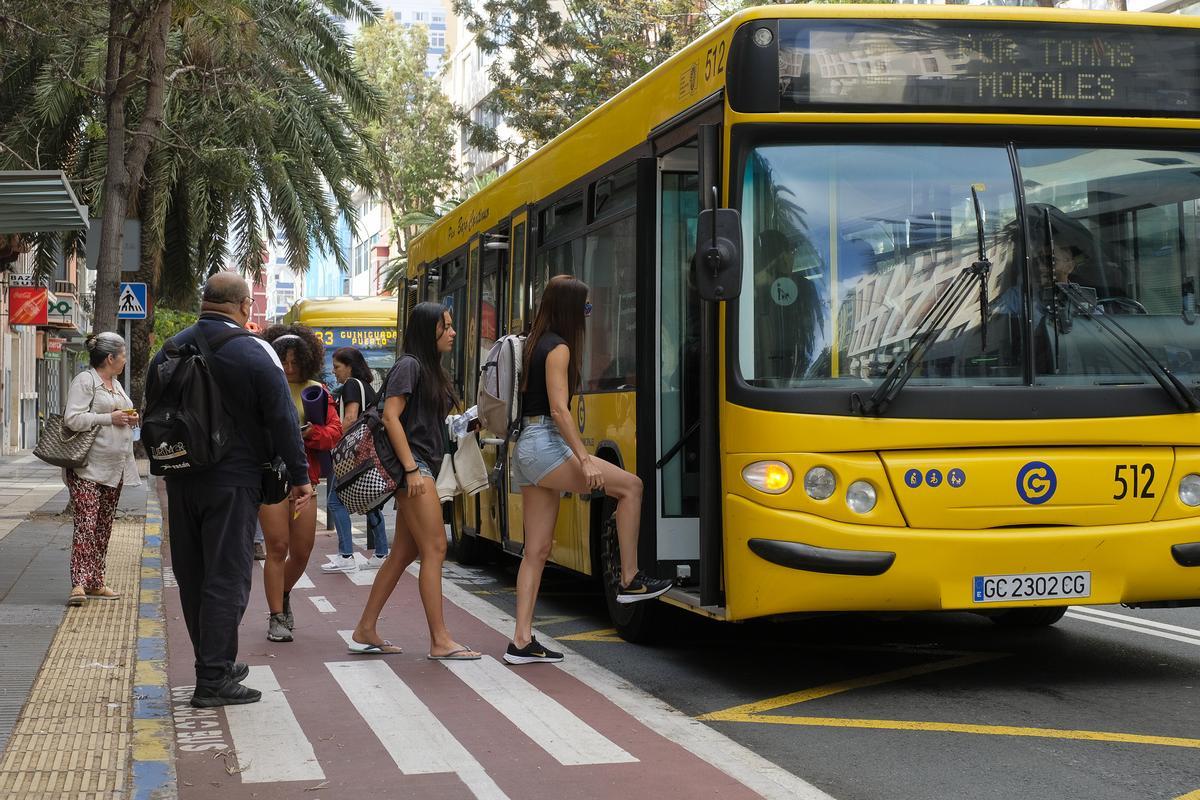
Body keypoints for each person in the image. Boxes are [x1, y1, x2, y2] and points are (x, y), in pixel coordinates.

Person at [146, 273, 311, 708]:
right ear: (243, 307)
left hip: (180, 477)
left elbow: (152, 411)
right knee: (228, 576)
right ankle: (213, 679)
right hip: (233, 480)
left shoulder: (170, 347)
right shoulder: (253, 350)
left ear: (204, 302)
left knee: (193, 574)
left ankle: (213, 661)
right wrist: (299, 477)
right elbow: (281, 417)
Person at [506, 275, 672, 665]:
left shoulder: (533, 343)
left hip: (526, 447)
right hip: (546, 444)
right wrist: (582, 457)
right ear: (571, 309)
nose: (588, 314)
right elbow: (560, 410)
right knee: (631, 487)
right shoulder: (559, 348)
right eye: (586, 307)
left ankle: (521, 641)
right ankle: (629, 579)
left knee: (537, 550)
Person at [348, 302, 480, 660]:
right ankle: (439, 640)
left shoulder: (429, 368)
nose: (453, 332)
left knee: (404, 553)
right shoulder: (410, 365)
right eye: (446, 326)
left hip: (422, 468)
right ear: (428, 330)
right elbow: (391, 418)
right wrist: (410, 470)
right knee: (436, 549)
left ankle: (366, 627)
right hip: (415, 470)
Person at [260, 325, 342, 642]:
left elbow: (333, 433)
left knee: (303, 551)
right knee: (277, 547)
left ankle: (281, 594)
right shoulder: (263, 387)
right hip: (270, 477)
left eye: (295, 361)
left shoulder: (317, 390)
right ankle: (276, 616)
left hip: (305, 477)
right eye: (284, 361)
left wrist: (309, 434)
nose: (290, 368)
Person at [62, 332, 141, 606]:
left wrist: (129, 419)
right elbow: (72, 418)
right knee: (86, 524)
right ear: (110, 358)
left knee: (103, 526)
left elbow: (119, 418)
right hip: (87, 467)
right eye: (123, 355)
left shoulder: (116, 385)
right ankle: (79, 584)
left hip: (114, 468)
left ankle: (96, 580)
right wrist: (111, 417)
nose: (125, 360)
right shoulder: (86, 381)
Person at [323, 346, 388, 571]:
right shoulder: (368, 387)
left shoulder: (351, 385)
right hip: (370, 452)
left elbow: (350, 418)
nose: (334, 372)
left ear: (349, 366)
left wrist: (336, 442)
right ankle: (381, 553)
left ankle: (346, 555)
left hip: (353, 454)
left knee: (334, 501)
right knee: (371, 502)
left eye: (337, 367)